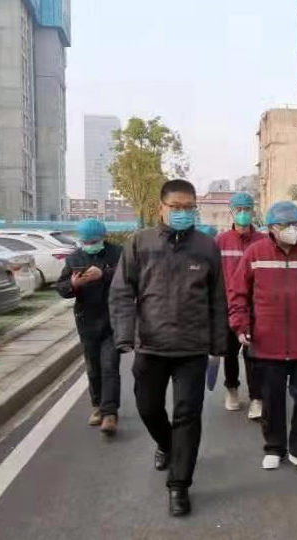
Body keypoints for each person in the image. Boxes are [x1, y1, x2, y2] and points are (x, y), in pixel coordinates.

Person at [109, 179, 227, 517]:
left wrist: (219, 344)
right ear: (161, 208)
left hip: (192, 348)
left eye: (189, 207)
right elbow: (121, 292)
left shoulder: (207, 246)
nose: (183, 213)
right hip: (151, 346)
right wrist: (124, 334)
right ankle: (166, 444)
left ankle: (179, 486)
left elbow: (217, 298)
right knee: (148, 408)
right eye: (176, 207)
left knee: (188, 415)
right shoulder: (140, 243)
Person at [228, 201, 297, 479]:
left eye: (295, 224)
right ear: (272, 229)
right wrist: (241, 325)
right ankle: (274, 448)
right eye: (285, 226)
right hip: (267, 342)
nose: (291, 230)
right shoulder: (255, 253)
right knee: (272, 400)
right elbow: (238, 293)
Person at [56, 219, 122, 435]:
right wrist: (74, 285)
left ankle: (110, 412)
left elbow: (129, 279)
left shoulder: (117, 254)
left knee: (110, 365)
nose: (90, 244)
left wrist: (104, 275)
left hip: (113, 318)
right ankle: (97, 406)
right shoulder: (75, 258)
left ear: (103, 237)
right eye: (86, 241)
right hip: (87, 319)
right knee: (93, 366)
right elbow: (62, 288)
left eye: (94, 241)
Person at [215, 192, 266, 417]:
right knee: (229, 352)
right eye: (239, 210)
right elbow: (213, 275)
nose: (243, 214)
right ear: (232, 212)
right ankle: (232, 389)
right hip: (228, 305)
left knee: (253, 354)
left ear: (253, 211)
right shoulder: (221, 241)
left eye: (247, 209)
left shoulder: (263, 241)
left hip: (256, 306)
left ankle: (256, 397)